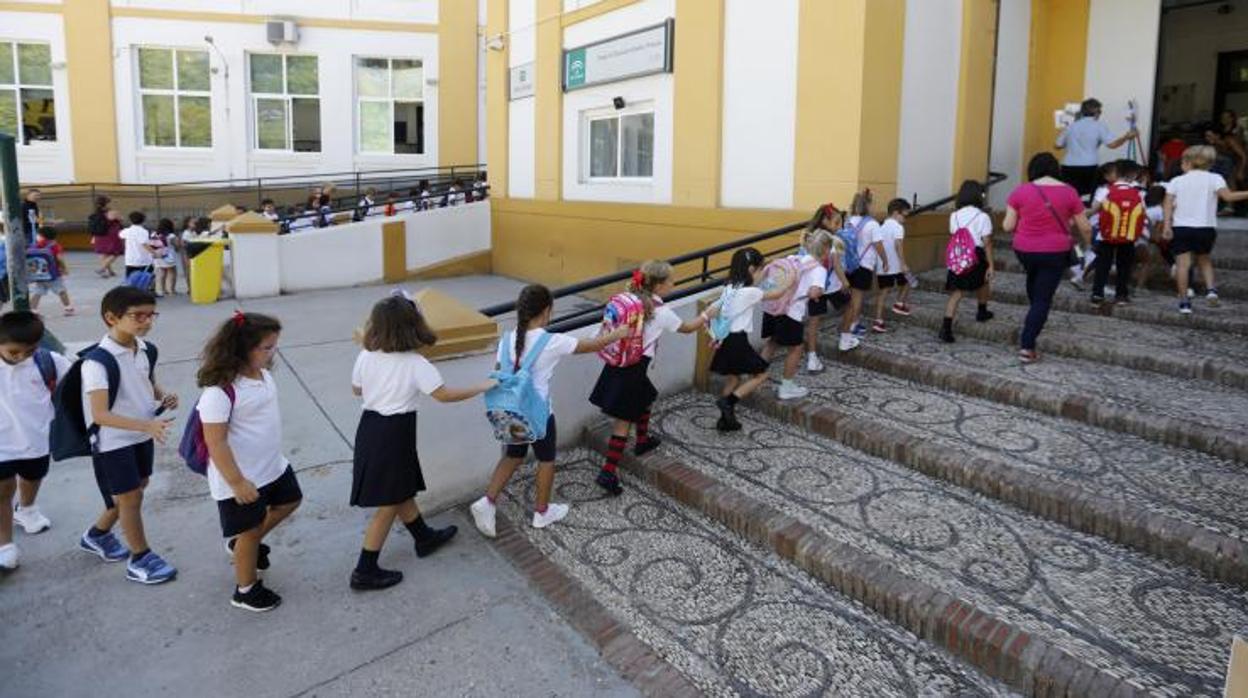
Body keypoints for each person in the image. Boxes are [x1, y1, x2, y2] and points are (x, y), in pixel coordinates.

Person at [349, 293, 495, 591]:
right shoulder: (416, 363)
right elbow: (444, 396)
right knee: (389, 502)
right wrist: (483, 385)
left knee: (401, 489)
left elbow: (356, 390)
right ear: (412, 326)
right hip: (395, 432)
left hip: (370, 428)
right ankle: (364, 569)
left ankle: (423, 537)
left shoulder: (366, 355)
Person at [468, 285, 627, 538]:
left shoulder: (506, 339)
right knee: (546, 459)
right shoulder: (552, 341)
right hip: (539, 413)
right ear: (546, 311)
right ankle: (542, 512)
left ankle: (487, 501)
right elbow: (590, 345)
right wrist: (618, 333)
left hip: (512, 410)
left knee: (513, 455)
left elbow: (500, 370)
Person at [196, 312, 301, 611]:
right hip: (241, 477)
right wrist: (237, 482)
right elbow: (215, 441)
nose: (273, 352)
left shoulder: (263, 375)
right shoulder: (220, 392)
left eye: (274, 346)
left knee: (290, 501)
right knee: (251, 531)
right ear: (241, 349)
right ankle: (246, 590)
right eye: (266, 348)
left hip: (271, 466)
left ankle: (240, 545)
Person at [78, 286, 179, 584]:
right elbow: (100, 415)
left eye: (151, 315)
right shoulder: (97, 362)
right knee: (130, 496)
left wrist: (162, 396)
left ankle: (96, 535)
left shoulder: (144, 348)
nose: (146, 321)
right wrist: (146, 426)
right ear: (111, 317)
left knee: (135, 488)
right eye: (138, 316)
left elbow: (145, 379)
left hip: (139, 433)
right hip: (112, 440)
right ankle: (141, 558)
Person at [589, 261, 706, 496]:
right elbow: (688, 327)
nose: (673, 284)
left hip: (619, 363)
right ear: (659, 285)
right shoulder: (661, 312)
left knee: (647, 396)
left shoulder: (630, 300)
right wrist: (707, 314)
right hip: (633, 368)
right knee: (623, 421)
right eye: (670, 281)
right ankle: (608, 472)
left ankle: (642, 440)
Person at [1004, 153, 1092, 363]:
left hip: (1024, 249)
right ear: (1055, 169)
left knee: (1035, 282)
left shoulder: (1020, 191)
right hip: (1054, 251)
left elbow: (1007, 226)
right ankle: (1027, 345)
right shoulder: (1070, 192)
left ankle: (1035, 314)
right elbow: (1085, 227)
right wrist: (1088, 246)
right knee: (1042, 298)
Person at [0, 311, 71, 570]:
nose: (20, 357)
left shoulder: (49, 362)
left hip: (36, 438)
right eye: (13, 352)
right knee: (3, 491)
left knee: (32, 477)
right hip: (2, 443)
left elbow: (74, 385)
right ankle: (5, 545)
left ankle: (27, 509)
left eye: (28, 351)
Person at [703, 247, 796, 431]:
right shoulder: (749, 292)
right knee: (762, 374)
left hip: (727, 339)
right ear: (752, 270)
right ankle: (728, 402)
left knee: (733, 379)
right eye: (762, 270)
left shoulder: (730, 287)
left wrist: (768, 264)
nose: (763, 275)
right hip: (738, 340)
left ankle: (725, 421)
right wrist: (791, 278)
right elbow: (777, 293)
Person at [1163, 145, 1248, 314]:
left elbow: (1168, 205)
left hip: (1181, 228)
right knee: (1204, 259)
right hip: (1206, 228)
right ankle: (1211, 290)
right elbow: (1229, 197)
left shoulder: (1176, 181)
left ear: (1187, 162)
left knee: (1183, 265)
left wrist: (1166, 225)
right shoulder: (1215, 178)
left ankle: (1184, 302)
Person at [761, 231, 832, 400]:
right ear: (826, 250)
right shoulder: (819, 270)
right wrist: (819, 291)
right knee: (796, 348)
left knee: (772, 342)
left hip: (773, 308)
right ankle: (787, 387)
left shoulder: (795, 258)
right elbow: (814, 293)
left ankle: (755, 376)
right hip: (790, 312)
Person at [941, 181, 995, 343]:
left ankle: (946, 328)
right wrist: (991, 264)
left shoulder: (954, 215)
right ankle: (982, 310)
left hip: (959, 254)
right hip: (976, 254)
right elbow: (987, 242)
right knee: (984, 281)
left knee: (957, 292)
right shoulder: (982, 216)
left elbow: (954, 234)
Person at [1089, 160, 1146, 306]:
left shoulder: (1105, 190)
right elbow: (1142, 213)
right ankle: (1121, 295)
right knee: (1124, 266)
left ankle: (1097, 294)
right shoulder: (1139, 192)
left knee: (1103, 265)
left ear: (1117, 173)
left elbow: (1094, 210)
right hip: (1128, 236)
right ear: (1133, 175)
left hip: (1106, 235)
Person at [1055, 98, 1137, 200]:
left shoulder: (1071, 126)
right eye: (1100, 111)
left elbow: (1057, 146)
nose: (1100, 114)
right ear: (1096, 112)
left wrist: (1072, 143)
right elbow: (1112, 145)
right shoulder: (1099, 126)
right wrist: (1126, 137)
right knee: (1088, 196)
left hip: (1068, 167)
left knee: (1069, 196)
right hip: (1088, 167)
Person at [841, 190, 888, 345]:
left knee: (851, 299)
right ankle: (853, 325)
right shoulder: (872, 224)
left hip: (848, 264)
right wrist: (885, 260)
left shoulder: (849, 220)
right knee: (857, 297)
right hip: (864, 265)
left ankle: (849, 324)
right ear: (868, 205)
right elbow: (879, 245)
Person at [800, 205, 844, 372]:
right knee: (851, 305)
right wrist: (845, 282)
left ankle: (812, 356)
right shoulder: (831, 241)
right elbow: (838, 265)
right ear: (825, 221)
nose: (839, 227)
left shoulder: (808, 236)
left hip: (813, 287)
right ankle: (846, 336)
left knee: (814, 321)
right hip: (828, 286)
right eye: (837, 222)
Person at [871, 198, 913, 332]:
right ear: (896, 213)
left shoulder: (881, 226)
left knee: (883, 293)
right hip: (896, 266)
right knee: (908, 282)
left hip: (883, 266)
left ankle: (878, 321)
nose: (905, 219)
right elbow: (898, 245)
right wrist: (903, 263)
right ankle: (899, 303)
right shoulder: (898, 227)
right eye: (904, 215)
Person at [29, 228, 74, 316]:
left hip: (40, 275)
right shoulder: (55, 246)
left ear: (42, 236)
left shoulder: (36, 245)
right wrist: (64, 268)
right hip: (54, 274)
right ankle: (68, 308)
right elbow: (59, 258)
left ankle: (32, 310)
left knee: (37, 292)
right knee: (61, 291)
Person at [88, 196, 121, 278]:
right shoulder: (111, 212)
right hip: (111, 235)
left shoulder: (95, 213)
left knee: (103, 253)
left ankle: (110, 271)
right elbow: (120, 219)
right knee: (116, 252)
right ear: (107, 203)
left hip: (99, 235)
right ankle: (102, 268)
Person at [120, 211, 155, 279]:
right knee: (146, 280)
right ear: (143, 221)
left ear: (130, 221)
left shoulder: (126, 231)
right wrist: (154, 253)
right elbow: (144, 244)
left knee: (130, 280)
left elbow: (121, 235)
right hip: (144, 260)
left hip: (130, 260)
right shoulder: (144, 231)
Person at [151, 218, 178, 297]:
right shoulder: (171, 235)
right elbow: (176, 245)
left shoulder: (154, 234)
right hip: (168, 256)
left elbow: (151, 244)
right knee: (172, 272)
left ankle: (161, 290)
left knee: (161, 273)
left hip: (158, 255)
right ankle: (171, 290)